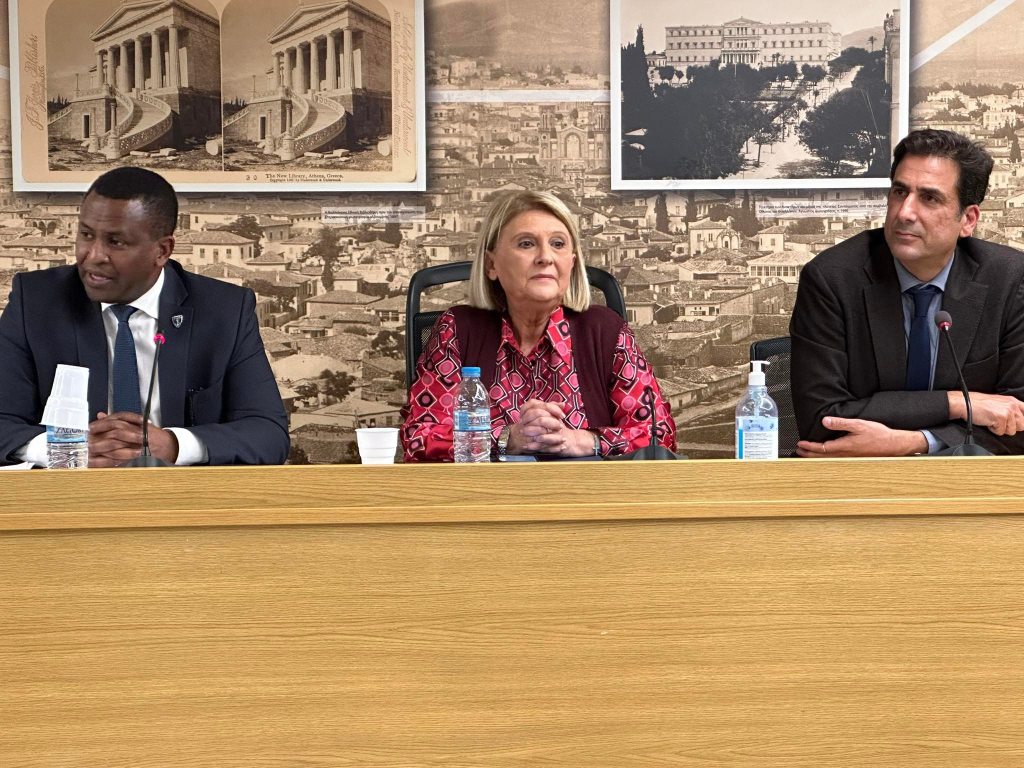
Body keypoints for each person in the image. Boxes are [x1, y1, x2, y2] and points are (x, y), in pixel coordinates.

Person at [0, 167, 290, 466]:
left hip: (180, 492)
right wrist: (64, 449)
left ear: (162, 251)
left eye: (115, 242)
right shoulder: (35, 301)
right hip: (72, 491)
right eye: (86, 235)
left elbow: (268, 434)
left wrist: (174, 445)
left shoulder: (224, 309)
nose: (93, 255)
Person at [790, 129, 1024, 457]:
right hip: (852, 474)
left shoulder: (1010, 280)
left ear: (968, 220)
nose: (904, 212)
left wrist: (915, 442)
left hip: (965, 477)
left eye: (930, 198)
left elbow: (1018, 421)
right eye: (900, 192)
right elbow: (821, 420)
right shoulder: (832, 279)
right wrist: (957, 403)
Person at [402, 190, 676, 461]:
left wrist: (583, 440)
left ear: (572, 263)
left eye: (558, 243)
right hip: (483, 490)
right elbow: (419, 438)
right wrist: (509, 439)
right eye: (526, 244)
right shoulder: (458, 330)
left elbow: (658, 435)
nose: (546, 257)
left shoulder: (606, 331)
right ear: (491, 264)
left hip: (588, 490)